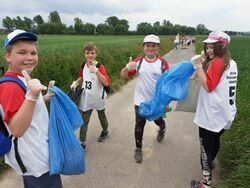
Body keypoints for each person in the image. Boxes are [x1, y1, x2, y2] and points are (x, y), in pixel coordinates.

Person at [0, 29, 62, 187]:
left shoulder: (22, 78)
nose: (29, 58)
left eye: (33, 53)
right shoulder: (10, 86)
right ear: (8, 56)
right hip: (35, 160)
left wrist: (43, 98)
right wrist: (32, 96)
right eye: (22, 52)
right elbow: (17, 129)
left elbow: (26, 109)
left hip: (38, 153)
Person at [191, 31, 238, 188]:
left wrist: (198, 66)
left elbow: (209, 86)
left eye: (212, 47)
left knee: (205, 148)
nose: (209, 50)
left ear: (222, 46)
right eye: (207, 47)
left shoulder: (218, 62)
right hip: (225, 114)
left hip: (211, 115)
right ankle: (210, 163)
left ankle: (205, 184)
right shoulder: (230, 62)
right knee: (215, 140)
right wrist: (204, 63)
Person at [120, 34, 169, 163]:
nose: (150, 48)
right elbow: (123, 76)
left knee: (157, 120)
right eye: (148, 45)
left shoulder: (163, 63)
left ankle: (162, 127)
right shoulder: (138, 61)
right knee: (139, 125)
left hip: (156, 101)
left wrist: (166, 102)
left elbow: (167, 85)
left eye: (153, 46)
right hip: (140, 100)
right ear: (144, 47)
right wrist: (126, 67)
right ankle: (138, 148)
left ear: (157, 47)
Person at [70, 42, 110, 150]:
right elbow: (82, 76)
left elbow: (106, 82)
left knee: (101, 115)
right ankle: (82, 142)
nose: (90, 55)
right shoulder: (83, 65)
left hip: (98, 97)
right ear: (84, 54)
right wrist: (76, 82)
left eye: (92, 53)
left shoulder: (100, 66)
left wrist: (96, 71)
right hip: (86, 97)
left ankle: (105, 130)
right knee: (84, 120)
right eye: (87, 53)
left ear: (96, 54)